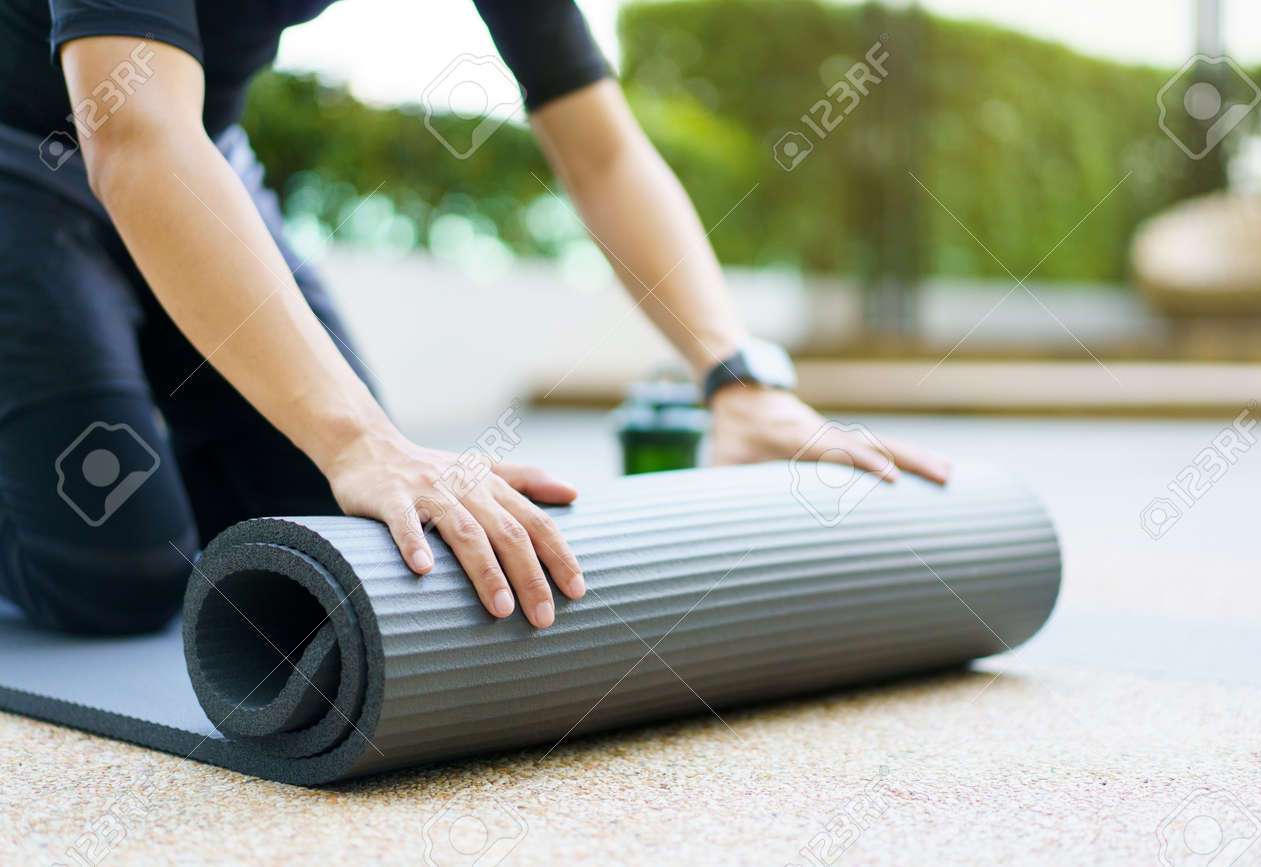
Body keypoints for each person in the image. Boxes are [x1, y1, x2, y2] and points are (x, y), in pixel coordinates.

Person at [0, 0, 950, 636]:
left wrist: (739, 381)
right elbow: (134, 136)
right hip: (25, 160)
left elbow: (600, 146)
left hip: (204, 151)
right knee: (119, 574)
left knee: (338, 542)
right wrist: (361, 437)